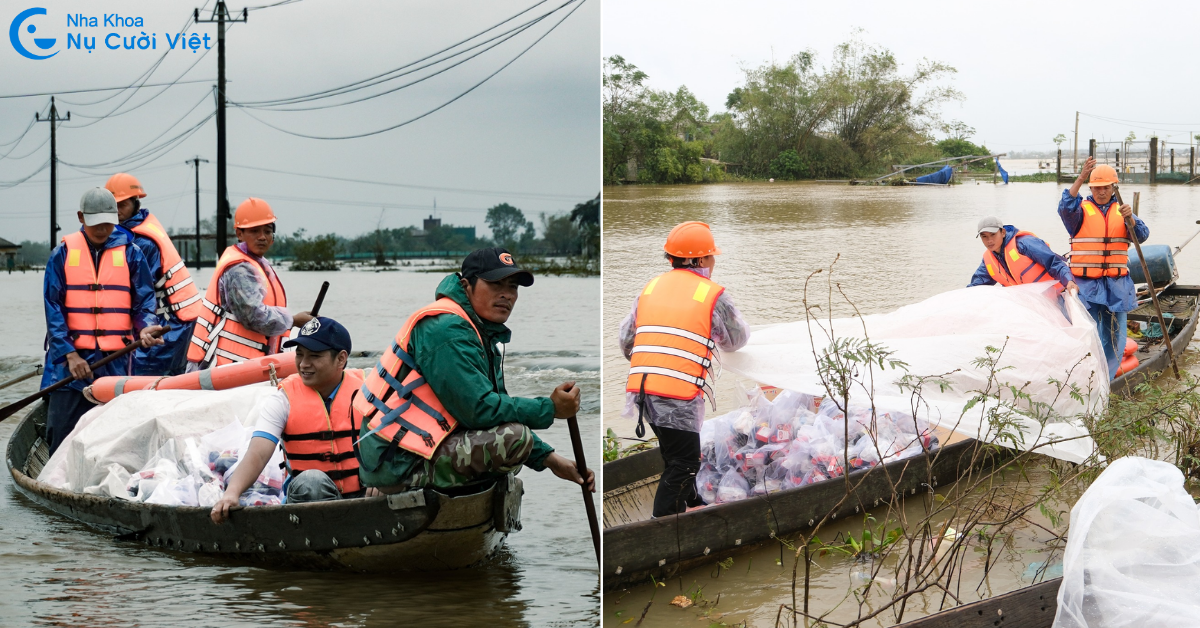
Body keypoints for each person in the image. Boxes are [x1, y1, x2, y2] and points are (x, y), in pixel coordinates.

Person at [353, 247, 595, 496]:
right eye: (495, 284)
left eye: (512, 286)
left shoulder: (479, 331)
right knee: (514, 439)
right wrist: (550, 409)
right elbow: (479, 410)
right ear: (467, 285)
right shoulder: (446, 329)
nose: (506, 295)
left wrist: (552, 461)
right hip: (400, 463)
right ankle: (402, 489)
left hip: (418, 451)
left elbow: (497, 414)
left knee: (512, 439)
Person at [619, 221, 749, 517]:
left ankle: (690, 502)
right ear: (700, 260)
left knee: (674, 456)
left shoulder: (650, 289)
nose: (714, 262)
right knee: (684, 463)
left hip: (642, 391)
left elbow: (626, 341)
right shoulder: (711, 294)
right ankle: (663, 529)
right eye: (712, 256)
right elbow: (737, 339)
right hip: (676, 394)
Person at [210, 316, 371, 523]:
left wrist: (383, 479)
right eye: (300, 355)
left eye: (314, 356)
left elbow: (392, 441)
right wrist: (232, 493)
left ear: (341, 359)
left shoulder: (368, 391)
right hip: (308, 497)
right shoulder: (283, 399)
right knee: (311, 481)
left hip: (363, 494)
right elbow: (258, 453)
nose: (304, 364)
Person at [41, 188, 165, 454]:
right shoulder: (61, 255)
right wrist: (70, 355)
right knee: (61, 436)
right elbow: (53, 308)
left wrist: (145, 329)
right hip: (70, 366)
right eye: (95, 221)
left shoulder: (131, 254)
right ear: (80, 217)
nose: (102, 228)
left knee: (113, 439)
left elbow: (144, 302)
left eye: (108, 221)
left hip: (115, 361)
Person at [187, 198, 312, 370]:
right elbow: (253, 316)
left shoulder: (257, 263)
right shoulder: (239, 269)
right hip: (219, 367)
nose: (262, 237)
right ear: (239, 234)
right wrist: (293, 320)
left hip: (243, 365)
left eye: (267, 231)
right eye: (254, 231)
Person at [1059, 157, 1149, 379]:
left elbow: (1142, 236)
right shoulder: (1079, 211)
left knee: (1114, 335)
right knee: (1087, 332)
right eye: (1097, 188)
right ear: (1091, 188)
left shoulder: (1124, 211)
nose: (1101, 192)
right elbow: (1064, 207)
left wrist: (1132, 222)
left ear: (1113, 187)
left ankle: (1106, 379)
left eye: (1106, 187)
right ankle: (1083, 377)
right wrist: (1081, 177)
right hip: (1087, 285)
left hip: (1116, 285)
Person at [107, 173, 204, 376]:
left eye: (122, 205)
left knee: (145, 380)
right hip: (182, 323)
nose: (117, 212)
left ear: (136, 202)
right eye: (112, 206)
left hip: (169, 328)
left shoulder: (141, 242)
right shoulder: (143, 228)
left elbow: (137, 292)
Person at [968, 216, 1078, 293]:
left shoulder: (1024, 243)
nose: (989, 241)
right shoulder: (988, 260)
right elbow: (976, 287)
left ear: (1002, 232)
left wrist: (1069, 280)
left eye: (992, 235)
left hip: (1058, 295)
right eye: (984, 236)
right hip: (1029, 305)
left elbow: (1054, 263)